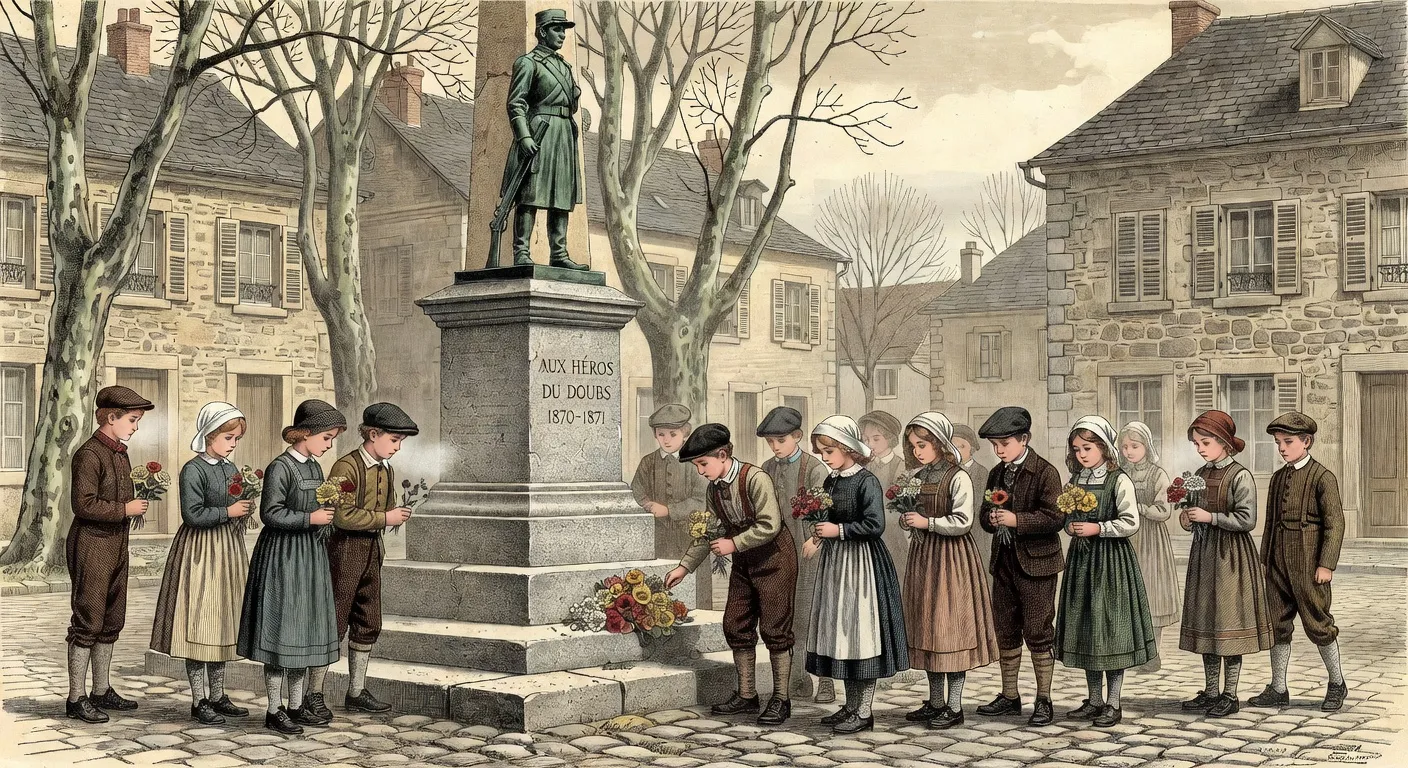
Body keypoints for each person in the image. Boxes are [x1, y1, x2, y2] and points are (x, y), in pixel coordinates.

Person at [665, 424, 797, 726]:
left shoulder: (756, 479)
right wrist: (684, 567)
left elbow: (769, 525)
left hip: (775, 558)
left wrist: (733, 543)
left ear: (723, 455)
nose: (700, 472)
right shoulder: (714, 489)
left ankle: (781, 699)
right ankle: (747, 695)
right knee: (735, 623)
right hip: (744, 562)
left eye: (703, 464)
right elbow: (711, 531)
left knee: (776, 630)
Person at [237, 400, 346, 734]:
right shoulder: (280, 467)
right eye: (327, 438)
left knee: (304, 634)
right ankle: (274, 708)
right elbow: (270, 513)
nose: (329, 445)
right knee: (282, 633)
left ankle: (297, 706)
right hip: (283, 557)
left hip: (311, 559)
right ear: (306, 434)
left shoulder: (314, 468)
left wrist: (327, 514)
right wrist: (309, 518)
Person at [150, 402, 255, 724]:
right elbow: (192, 514)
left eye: (236, 438)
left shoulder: (231, 469)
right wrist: (229, 512)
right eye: (228, 437)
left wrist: (244, 510)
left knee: (223, 621)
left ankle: (218, 694)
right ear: (209, 435)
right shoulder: (193, 469)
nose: (233, 444)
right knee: (199, 623)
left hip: (228, 549)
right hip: (200, 551)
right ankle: (199, 700)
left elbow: (235, 501)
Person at [806, 416, 909, 734]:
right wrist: (818, 533)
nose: (824, 457)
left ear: (848, 448)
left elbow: (875, 524)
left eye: (828, 451)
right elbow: (823, 515)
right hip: (836, 565)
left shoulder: (867, 481)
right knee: (842, 637)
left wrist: (837, 529)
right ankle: (849, 706)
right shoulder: (830, 481)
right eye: (821, 451)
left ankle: (864, 711)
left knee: (861, 637)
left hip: (862, 566)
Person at [317, 403, 419, 715]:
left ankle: (356, 692)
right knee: (332, 622)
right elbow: (342, 516)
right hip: (344, 551)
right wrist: (385, 516)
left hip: (372, 551)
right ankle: (312, 694)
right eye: (393, 440)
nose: (397, 447)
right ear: (372, 434)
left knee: (368, 620)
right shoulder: (346, 467)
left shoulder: (387, 469)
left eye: (401, 442)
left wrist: (393, 517)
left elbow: (383, 511)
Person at [1055, 416, 1157, 728]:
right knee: (1087, 629)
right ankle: (1094, 700)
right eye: (1077, 449)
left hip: (1111, 563)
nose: (1082, 454)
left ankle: (1113, 702)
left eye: (1088, 448)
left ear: (1103, 448)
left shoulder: (1119, 480)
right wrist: (1070, 525)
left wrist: (1097, 527)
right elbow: (1064, 516)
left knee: (1111, 632)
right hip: (1082, 564)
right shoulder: (1075, 480)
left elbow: (1130, 522)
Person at [899, 412, 998, 730]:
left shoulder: (959, 477)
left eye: (923, 444)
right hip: (923, 558)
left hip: (952, 560)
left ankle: (954, 706)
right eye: (914, 446)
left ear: (940, 444)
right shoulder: (916, 476)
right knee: (927, 628)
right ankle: (935, 702)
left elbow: (962, 521)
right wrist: (907, 520)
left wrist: (926, 522)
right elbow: (911, 512)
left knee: (950, 631)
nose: (917, 451)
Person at [65, 386, 155, 724]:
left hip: (116, 541)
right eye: (132, 420)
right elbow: (83, 504)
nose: (135, 426)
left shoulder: (120, 453)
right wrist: (124, 508)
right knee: (88, 619)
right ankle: (76, 697)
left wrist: (132, 509)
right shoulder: (89, 454)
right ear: (111, 417)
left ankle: (101, 689)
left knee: (112, 618)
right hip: (91, 543)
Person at [1248, 412, 1347, 712]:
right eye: (1278, 443)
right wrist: (1264, 560)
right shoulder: (1278, 478)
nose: (1281, 448)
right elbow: (1270, 522)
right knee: (1277, 623)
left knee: (1318, 623)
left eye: (1288, 442)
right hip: (1277, 559)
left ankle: (1337, 683)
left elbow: (1336, 524)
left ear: (1306, 442)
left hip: (1308, 561)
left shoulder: (1323, 477)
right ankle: (1278, 688)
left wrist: (1326, 564)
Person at [1179, 410, 1273, 719]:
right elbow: (1192, 514)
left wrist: (1210, 517)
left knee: (1227, 627)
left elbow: (1247, 520)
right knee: (1208, 624)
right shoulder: (1200, 475)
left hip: (1231, 558)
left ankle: (1230, 694)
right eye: (1197, 444)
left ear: (1223, 442)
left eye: (1205, 443)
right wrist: (1187, 518)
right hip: (1205, 557)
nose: (1201, 449)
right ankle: (1210, 692)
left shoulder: (1240, 476)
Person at [975, 406, 1063, 727]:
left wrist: (1016, 519)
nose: (999, 451)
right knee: (1006, 629)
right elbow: (984, 513)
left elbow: (1056, 518)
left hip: (1037, 564)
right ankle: (1010, 696)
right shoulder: (996, 473)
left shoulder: (1045, 472)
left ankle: (1044, 699)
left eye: (1005, 444)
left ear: (1024, 439)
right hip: (1005, 562)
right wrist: (992, 518)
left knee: (1038, 631)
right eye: (994, 446)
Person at [501, 8, 587, 269]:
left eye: (564, 30)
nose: (562, 35)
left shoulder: (564, 66)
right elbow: (516, 103)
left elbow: (569, 102)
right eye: (557, 29)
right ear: (542, 31)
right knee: (530, 193)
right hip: (540, 131)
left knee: (562, 194)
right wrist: (524, 136)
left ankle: (559, 254)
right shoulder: (528, 63)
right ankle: (522, 252)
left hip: (563, 133)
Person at [757, 406, 832, 703]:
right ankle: (797, 680)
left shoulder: (814, 468)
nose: (775, 447)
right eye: (771, 442)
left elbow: (825, 511)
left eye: (781, 440)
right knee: (785, 618)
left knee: (812, 616)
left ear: (797, 436)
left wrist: (815, 540)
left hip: (808, 549)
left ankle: (825, 680)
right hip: (778, 551)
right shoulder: (768, 467)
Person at [1118, 421, 1181, 672]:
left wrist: (1138, 509)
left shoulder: (1158, 474)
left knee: (1152, 594)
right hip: (1125, 539)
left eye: (1134, 446)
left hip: (1150, 540)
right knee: (1127, 594)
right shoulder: (1120, 473)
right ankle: (1131, 652)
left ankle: (1152, 654)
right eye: (1124, 447)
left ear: (1146, 446)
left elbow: (1163, 509)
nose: (1129, 451)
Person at [631, 403, 708, 603]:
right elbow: (637, 492)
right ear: (655, 435)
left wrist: (669, 510)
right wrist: (649, 505)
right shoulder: (648, 463)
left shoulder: (695, 462)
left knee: (693, 596)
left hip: (690, 539)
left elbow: (702, 499)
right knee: (660, 593)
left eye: (673, 434)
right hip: (659, 538)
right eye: (661, 434)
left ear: (685, 434)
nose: (666, 440)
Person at [860, 411, 910, 577]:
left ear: (890, 438)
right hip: (868, 533)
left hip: (892, 535)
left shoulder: (900, 467)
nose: (870, 444)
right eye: (866, 439)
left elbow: (901, 506)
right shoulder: (865, 467)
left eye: (876, 439)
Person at [953, 423, 994, 567]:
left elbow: (982, 506)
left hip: (976, 532)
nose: (956, 451)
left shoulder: (982, 473)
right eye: (953, 447)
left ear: (972, 448)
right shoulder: (948, 473)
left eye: (961, 447)